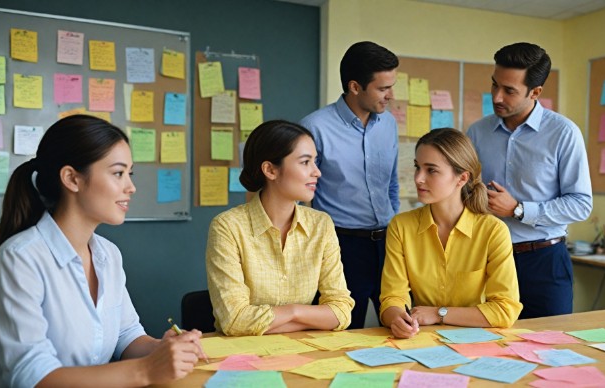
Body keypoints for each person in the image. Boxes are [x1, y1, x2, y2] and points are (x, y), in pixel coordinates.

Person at [0, 115, 205, 387]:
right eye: (117, 173)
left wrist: (161, 349)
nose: (131, 187)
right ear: (72, 179)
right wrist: (146, 370)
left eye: (130, 173)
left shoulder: (108, 254)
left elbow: (127, 334)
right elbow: (32, 377)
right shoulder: (19, 260)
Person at [467, 42, 592, 319]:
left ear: (535, 92)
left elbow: (581, 204)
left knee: (550, 349)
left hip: (544, 261)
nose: (497, 97)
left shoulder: (564, 133)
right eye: (494, 85)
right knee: (485, 349)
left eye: (509, 90)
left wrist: (519, 209)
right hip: (487, 259)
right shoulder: (477, 132)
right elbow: (464, 190)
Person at [206, 120, 354, 336]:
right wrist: (308, 316)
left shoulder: (321, 224)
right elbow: (234, 320)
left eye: (315, 161)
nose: (317, 172)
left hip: (304, 351)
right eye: (305, 162)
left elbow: (341, 311)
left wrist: (292, 313)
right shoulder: (227, 227)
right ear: (270, 170)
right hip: (243, 357)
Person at [380, 128, 522, 339]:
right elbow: (392, 297)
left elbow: (504, 310)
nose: (419, 178)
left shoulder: (492, 231)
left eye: (431, 170)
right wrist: (397, 319)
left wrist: (439, 314)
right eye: (417, 167)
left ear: (462, 178)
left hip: (476, 343)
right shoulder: (401, 226)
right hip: (421, 341)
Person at [299, 41, 399, 329]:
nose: (391, 95)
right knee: (342, 332)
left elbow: (391, 183)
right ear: (355, 87)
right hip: (341, 247)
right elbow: (295, 191)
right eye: (383, 88)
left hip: (388, 244)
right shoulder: (315, 127)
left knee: (400, 328)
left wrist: (391, 219)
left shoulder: (388, 124)